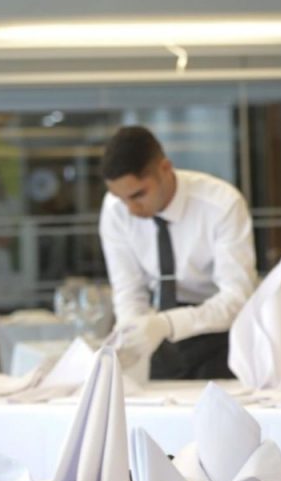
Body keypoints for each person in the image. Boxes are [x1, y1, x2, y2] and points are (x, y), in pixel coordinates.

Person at [99, 125, 257, 379]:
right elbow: (129, 290)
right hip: (157, 330)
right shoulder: (114, 210)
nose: (131, 210)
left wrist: (166, 324)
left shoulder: (222, 204)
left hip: (220, 332)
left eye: (138, 195)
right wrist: (132, 332)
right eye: (122, 199)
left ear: (165, 168)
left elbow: (236, 298)